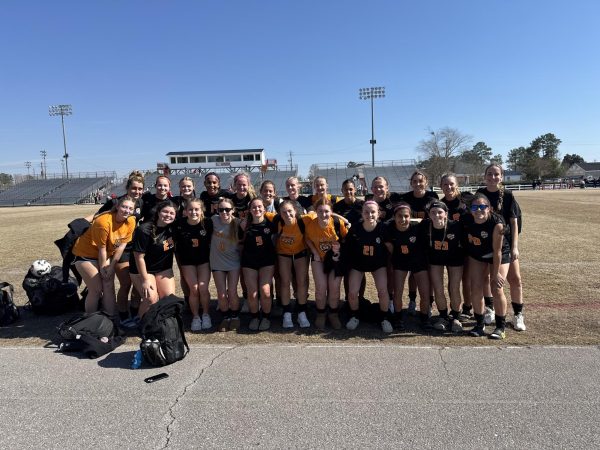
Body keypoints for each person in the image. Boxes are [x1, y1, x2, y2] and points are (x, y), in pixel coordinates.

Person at [477, 164, 526, 331]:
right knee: (487, 278)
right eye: (489, 174)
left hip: (506, 244)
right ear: (485, 176)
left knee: (515, 279)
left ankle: (518, 315)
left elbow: (514, 222)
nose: (492, 177)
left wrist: (515, 247)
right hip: (486, 244)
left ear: (501, 177)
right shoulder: (480, 193)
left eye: (496, 174)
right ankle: (490, 309)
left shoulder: (507, 195)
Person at [72, 196, 136, 317]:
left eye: (130, 208)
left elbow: (121, 247)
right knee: (96, 289)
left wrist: (111, 267)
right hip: (85, 255)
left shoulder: (131, 221)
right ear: (117, 206)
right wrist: (103, 269)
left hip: (105, 254)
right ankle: (90, 319)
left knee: (108, 285)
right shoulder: (103, 222)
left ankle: (110, 318)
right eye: (124, 207)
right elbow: (101, 248)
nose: (127, 210)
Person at [95, 171, 145, 324]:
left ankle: (136, 311)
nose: (137, 192)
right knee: (126, 283)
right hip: (121, 248)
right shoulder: (117, 202)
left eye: (140, 189)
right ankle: (123, 313)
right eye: (134, 188)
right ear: (127, 188)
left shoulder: (142, 202)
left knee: (138, 283)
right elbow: (99, 215)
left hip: (136, 247)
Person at [465, 193, 511, 339]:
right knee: (476, 287)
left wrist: (496, 273)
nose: (478, 210)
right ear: (470, 209)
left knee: (496, 288)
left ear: (489, 208)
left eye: (482, 207)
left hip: (498, 254)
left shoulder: (496, 223)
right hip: (478, 254)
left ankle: (500, 327)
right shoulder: (467, 220)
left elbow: (497, 251)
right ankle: (479, 325)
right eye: (475, 207)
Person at [344, 201, 393, 333]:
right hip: (358, 264)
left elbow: (390, 247)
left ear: (378, 214)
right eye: (366, 212)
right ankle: (354, 316)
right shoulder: (355, 228)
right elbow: (347, 247)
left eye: (373, 212)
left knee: (383, 291)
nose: (369, 214)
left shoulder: (383, 228)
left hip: (378, 264)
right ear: (362, 213)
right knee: (353, 293)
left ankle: (384, 318)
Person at [384, 203, 430, 330]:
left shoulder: (418, 227)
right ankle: (398, 318)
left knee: (425, 293)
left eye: (406, 216)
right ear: (394, 217)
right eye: (399, 216)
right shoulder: (389, 228)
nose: (403, 219)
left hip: (418, 262)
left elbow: (427, 220)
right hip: (400, 262)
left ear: (410, 217)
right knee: (397, 292)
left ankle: (424, 319)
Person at [305, 198, 348, 330]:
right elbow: (307, 238)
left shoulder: (337, 223)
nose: (324, 214)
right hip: (319, 259)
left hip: (335, 259)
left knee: (334, 289)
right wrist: (315, 252)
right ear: (316, 212)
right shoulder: (311, 224)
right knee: (320, 288)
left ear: (331, 212)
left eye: (326, 211)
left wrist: (339, 251)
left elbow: (346, 239)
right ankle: (321, 314)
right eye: (320, 211)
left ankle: (333, 314)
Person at [129, 200, 177, 319]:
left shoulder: (173, 228)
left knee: (169, 298)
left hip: (162, 268)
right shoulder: (144, 230)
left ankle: (159, 322)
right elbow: (138, 257)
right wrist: (145, 280)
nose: (168, 215)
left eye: (172, 213)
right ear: (158, 212)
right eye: (165, 211)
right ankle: (142, 323)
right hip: (143, 269)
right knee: (151, 298)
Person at [422, 201, 464, 333]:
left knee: (454, 287)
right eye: (433, 212)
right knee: (438, 287)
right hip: (435, 259)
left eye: (440, 212)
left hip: (455, 258)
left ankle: (456, 316)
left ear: (446, 214)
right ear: (429, 214)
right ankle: (443, 316)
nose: (437, 215)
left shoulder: (455, 226)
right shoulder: (425, 225)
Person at [402, 170, 439, 315]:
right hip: (411, 239)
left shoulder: (432, 196)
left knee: (427, 272)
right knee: (413, 272)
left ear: (426, 182)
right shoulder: (405, 198)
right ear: (411, 183)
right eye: (415, 181)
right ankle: (412, 300)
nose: (418, 184)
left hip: (428, 238)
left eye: (420, 181)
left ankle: (429, 303)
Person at [173, 198, 213, 331]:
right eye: (190, 209)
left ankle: (206, 314)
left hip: (204, 260)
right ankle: (196, 317)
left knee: (203, 288)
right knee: (194, 289)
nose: (193, 212)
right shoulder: (179, 224)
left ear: (202, 210)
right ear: (185, 211)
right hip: (187, 262)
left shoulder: (207, 223)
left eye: (197, 209)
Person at [271, 200, 312, 328]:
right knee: (284, 282)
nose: (287, 214)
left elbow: (326, 213)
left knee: (301, 282)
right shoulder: (277, 220)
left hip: (300, 252)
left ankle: (302, 312)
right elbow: (259, 212)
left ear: (295, 211)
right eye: (284, 212)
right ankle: (287, 312)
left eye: (290, 211)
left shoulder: (304, 220)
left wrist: (346, 221)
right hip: (283, 253)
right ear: (280, 214)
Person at [240, 198, 277, 331]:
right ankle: (255, 317)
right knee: (253, 293)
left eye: (259, 207)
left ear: (264, 208)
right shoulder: (244, 225)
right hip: (249, 262)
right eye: (254, 207)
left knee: (266, 291)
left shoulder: (271, 223)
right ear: (249, 210)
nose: (257, 209)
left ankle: (266, 317)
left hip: (267, 261)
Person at [440, 173, 474, 320]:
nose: (449, 187)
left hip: (467, 247)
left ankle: (467, 307)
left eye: (451, 184)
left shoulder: (466, 201)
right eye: (445, 184)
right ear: (441, 186)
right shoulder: (440, 205)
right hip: (449, 248)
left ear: (457, 185)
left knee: (466, 279)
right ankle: (455, 309)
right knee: (453, 281)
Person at [210, 197, 242, 331]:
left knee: (233, 291)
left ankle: (235, 316)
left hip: (233, 262)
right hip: (217, 263)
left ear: (233, 210)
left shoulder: (239, 223)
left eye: (227, 209)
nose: (224, 212)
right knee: (221, 293)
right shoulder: (213, 220)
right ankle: (225, 317)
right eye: (221, 209)